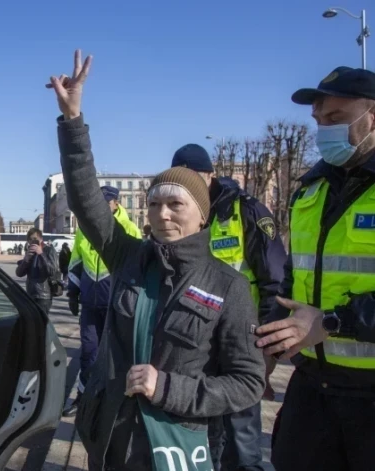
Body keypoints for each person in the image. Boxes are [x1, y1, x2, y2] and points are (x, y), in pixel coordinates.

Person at [48, 49, 265, 470]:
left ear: (201, 214)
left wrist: (168, 387)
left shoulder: (228, 286)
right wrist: (73, 122)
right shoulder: (129, 256)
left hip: (178, 442)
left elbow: (247, 382)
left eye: (175, 205)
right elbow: (86, 199)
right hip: (113, 437)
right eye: (154, 204)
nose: (161, 214)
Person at [256, 66, 375, 471]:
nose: (324, 130)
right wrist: (269, 351)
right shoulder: (310, 189)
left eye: (337, 119)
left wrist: (335, 322)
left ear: (372, 116)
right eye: (319, 121)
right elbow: (293, 281)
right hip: (312, 388)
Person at [171, 144, 287, 471]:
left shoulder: (245, 212)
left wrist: (266, 354)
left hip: (242, 342)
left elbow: (274, 283)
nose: (187, 187)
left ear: (210, 175)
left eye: (193, 178)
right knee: (202, 436)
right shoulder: (180, 216)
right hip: (195, 343)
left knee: (242, 439)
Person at [62, 185, 141, 417]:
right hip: (89, 303)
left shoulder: (130, 229)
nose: (102, 207)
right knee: (88, 352)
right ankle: (84, 399)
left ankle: (114, 404)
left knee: (117, 356)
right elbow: (76, 262)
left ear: (116, 203)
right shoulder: (84, 229)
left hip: (115, 305)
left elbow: (135, 270)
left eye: (106, 203)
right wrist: (73, 293)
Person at [16, 227, 58, 315]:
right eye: (30, 239)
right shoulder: (29, 252)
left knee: (41, 324)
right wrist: (26, 259)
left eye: (35, 239)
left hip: (43, 295)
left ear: (41, 239)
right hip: (30, 294)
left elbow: (52, 270)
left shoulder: (49, 250)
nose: (32, 241)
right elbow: (19, 273)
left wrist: (41, 254)